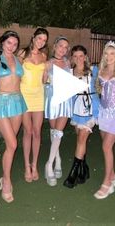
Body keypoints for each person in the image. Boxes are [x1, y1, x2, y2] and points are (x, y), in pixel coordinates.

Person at [0, 30, 27, 203]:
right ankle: (6, 181)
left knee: (10, 146)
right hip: (2, 103)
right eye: (9, 43)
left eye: (15, 43)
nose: (12, 46)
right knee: (13, 143)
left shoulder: (19, 59)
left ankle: (4, 177)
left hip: (18, 102)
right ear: (2, 43)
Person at [93, 41, 115, 199]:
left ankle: (106, 183)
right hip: (103, 112)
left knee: (107, 147)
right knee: (105, 146)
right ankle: (113, 176)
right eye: (106, 53)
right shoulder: (101, 70)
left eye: (112, 53)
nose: (109, 56)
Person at [63, 45, 100, 188]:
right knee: (80, 140)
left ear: (85, 56)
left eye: (81, 56)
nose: (78, 59)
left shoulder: (94, 71)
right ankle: (84, 170)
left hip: (90, 108)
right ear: (72, 57)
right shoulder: (69, 72)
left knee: (81, 139)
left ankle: (73, 173)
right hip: (76, 109)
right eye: (75, 56)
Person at [18, 28, 49, 182]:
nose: (41, 42)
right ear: (33, 37)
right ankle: (26, 166)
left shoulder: (44, 56)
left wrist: (47, 75)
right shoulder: (22, 54)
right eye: (39, 38)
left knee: (37, 131)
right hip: (24, 94)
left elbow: (43, 80)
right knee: (28, 131)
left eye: (44, 40)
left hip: (39, 95)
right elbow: (15, 74)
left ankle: (34, 165)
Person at [44, 36, 72, 186]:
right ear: (55, 46)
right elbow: (42, 82)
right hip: (52, 100)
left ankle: (49, 164)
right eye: (61, 46)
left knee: (59, 132)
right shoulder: (48, 63)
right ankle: (58, 160)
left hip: (65, 101)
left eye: (66, 47)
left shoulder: (68, 62)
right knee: (54, 131)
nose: (63, 49)